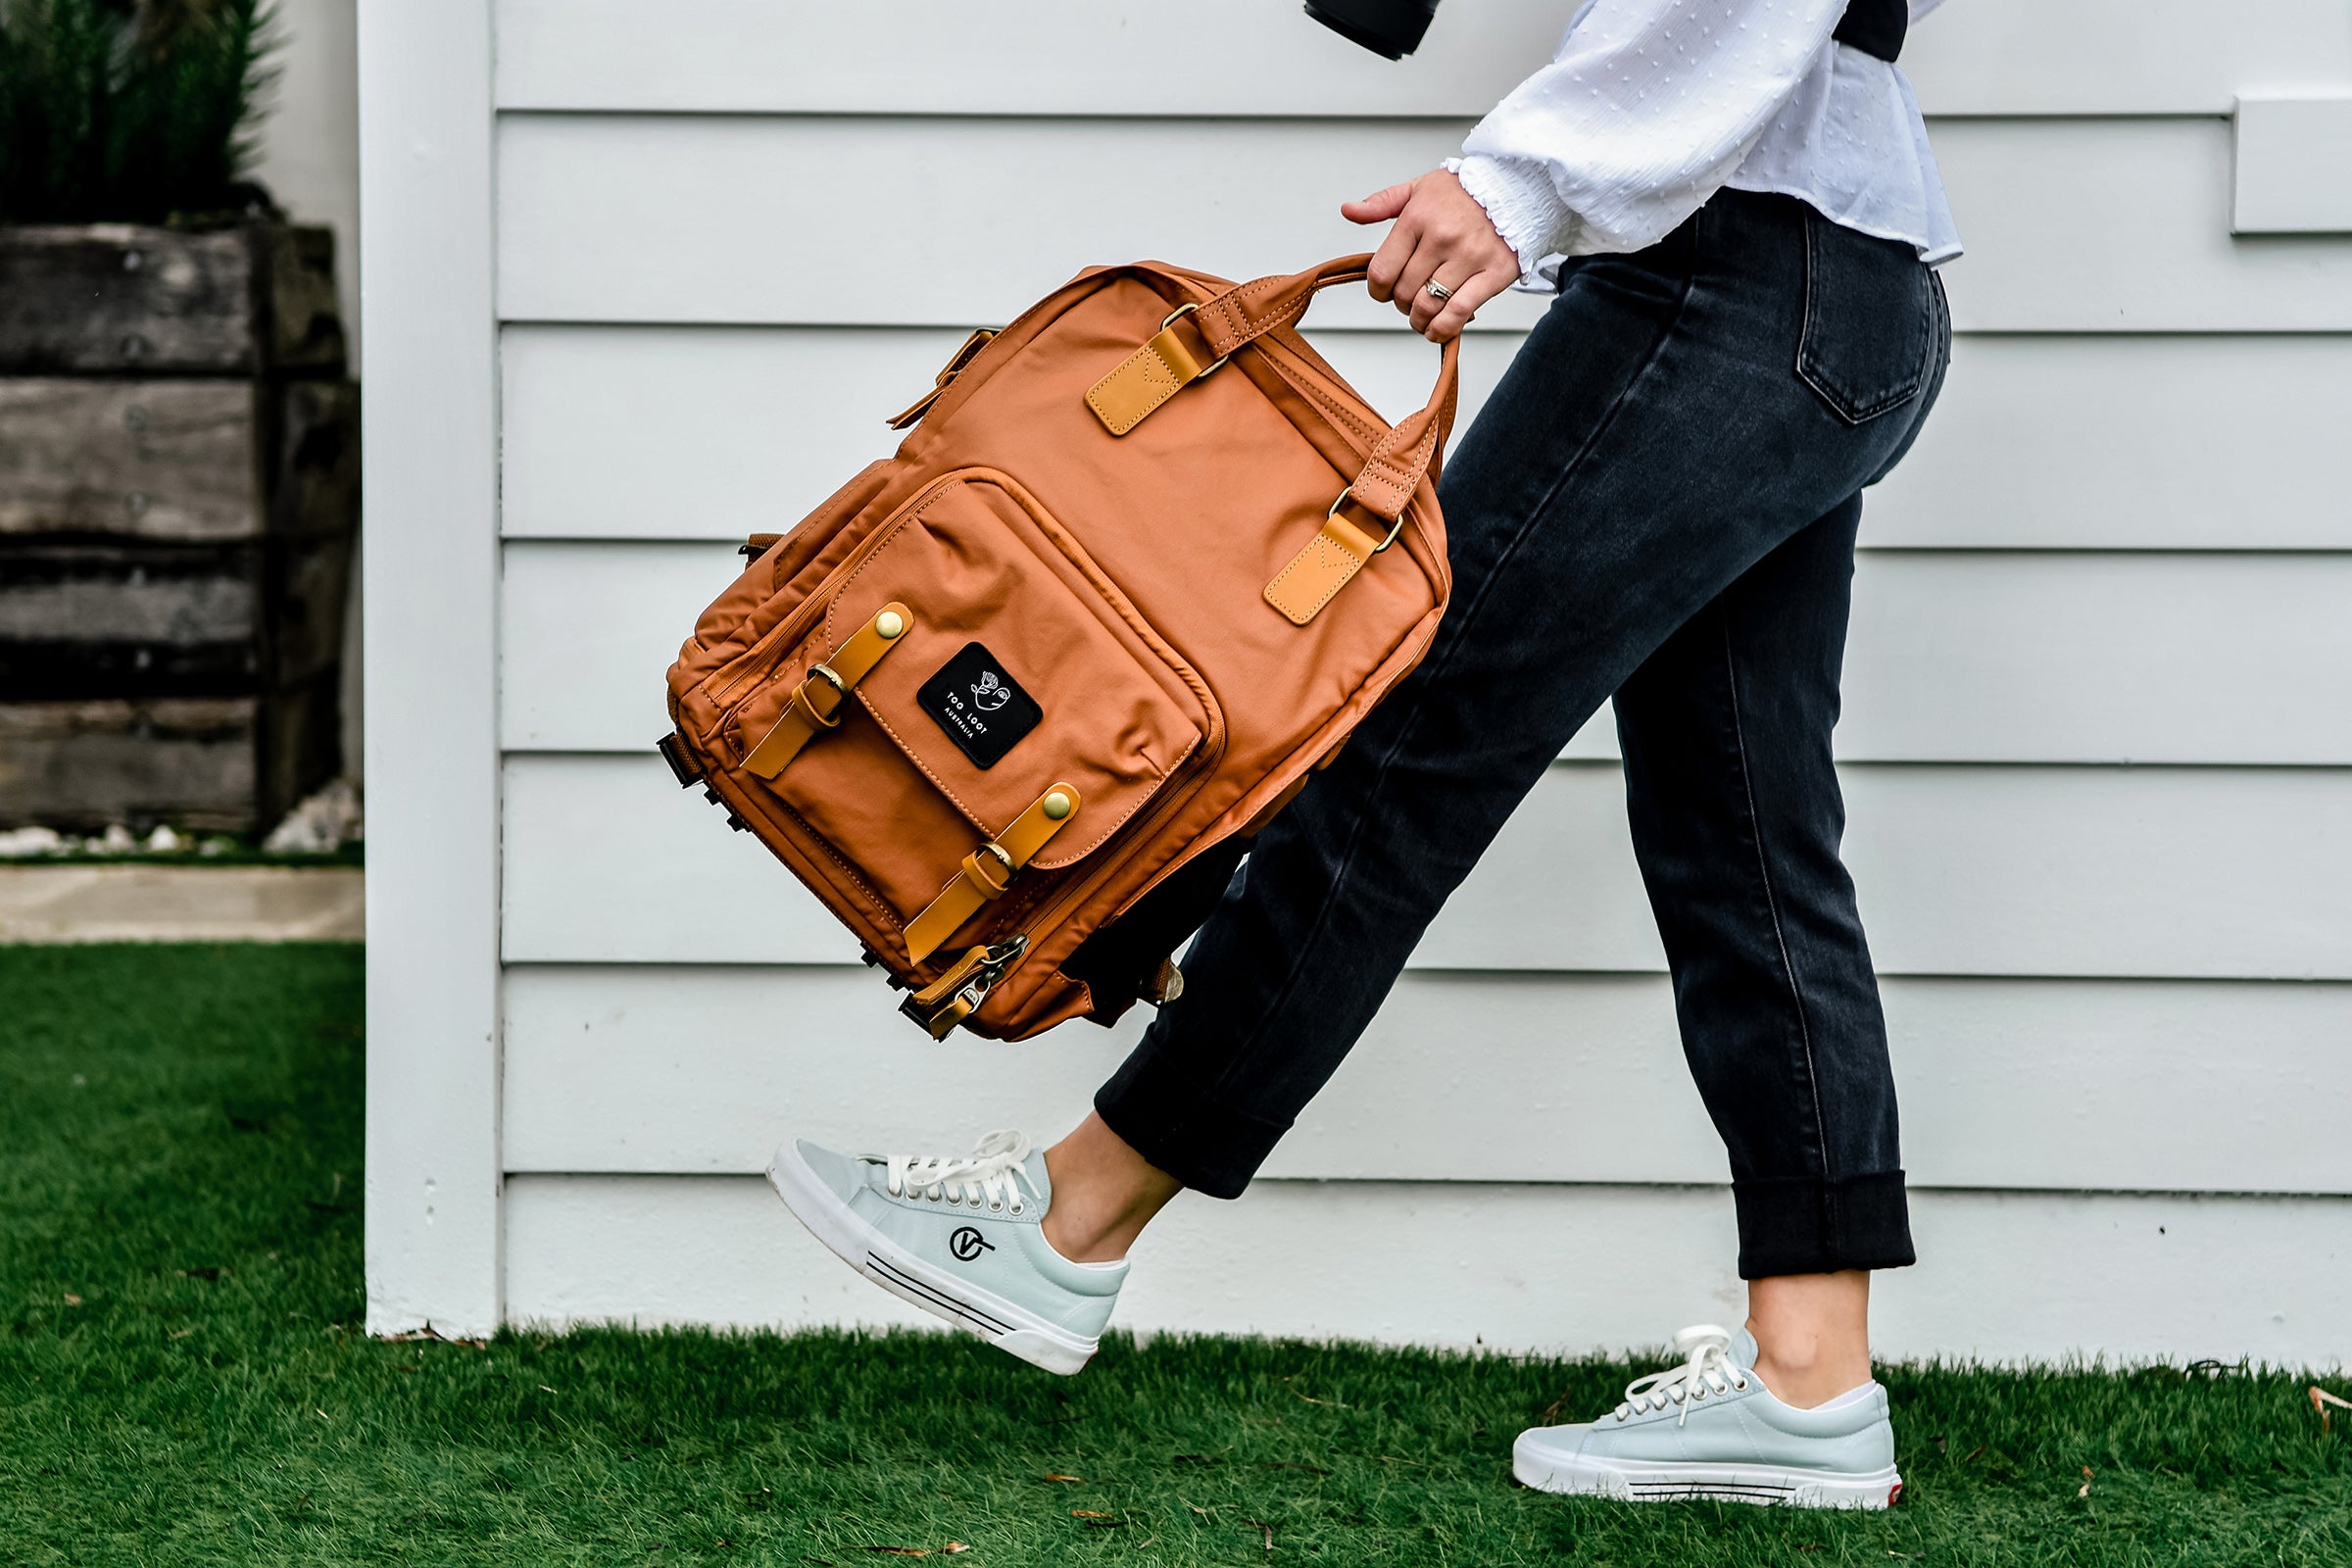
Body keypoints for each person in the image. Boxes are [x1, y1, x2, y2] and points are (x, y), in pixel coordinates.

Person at [767, 0, 1959, 1510]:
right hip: (1846, 286)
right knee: (1748, 828)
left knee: (1405, 752)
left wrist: (1521, 177)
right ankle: (1810, 1377)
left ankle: (1071, 1221)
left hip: (1727, 274)